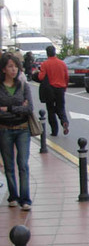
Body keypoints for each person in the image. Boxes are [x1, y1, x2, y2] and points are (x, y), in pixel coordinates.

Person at [0, 53, 34, 210]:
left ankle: (25, 199)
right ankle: (13, 195)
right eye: (10, 66)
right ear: (3, 69)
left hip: (22, 129)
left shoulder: (23, 86)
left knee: (23, 164)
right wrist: (18, 109)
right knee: (8, 165)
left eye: (15, 66)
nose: (14, 70)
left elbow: (29, 109)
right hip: (4, 129)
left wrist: (9, 108)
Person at [33, 45, 70, 136]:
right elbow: (66, 77)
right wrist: (64, 88)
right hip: (60, 88)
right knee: (61, 107)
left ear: (47, 53)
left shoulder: (45, 64)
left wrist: (36, 74)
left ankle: (54, 130)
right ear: (55, 52)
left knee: (50, 110)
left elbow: (41, 77)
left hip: (49, 90)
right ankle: (64, 121)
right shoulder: (62, 63)